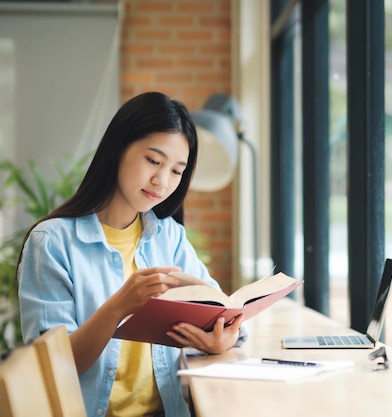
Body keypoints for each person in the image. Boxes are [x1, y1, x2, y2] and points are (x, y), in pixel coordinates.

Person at [17, 91, 247, 417]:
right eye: (153, 161)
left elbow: (227, 315)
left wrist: (220, 339)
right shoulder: (52, 243)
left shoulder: (169, 236)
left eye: (176, 171)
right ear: (117, 149)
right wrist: (118, 307)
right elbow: (53, 368)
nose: (161, 181)